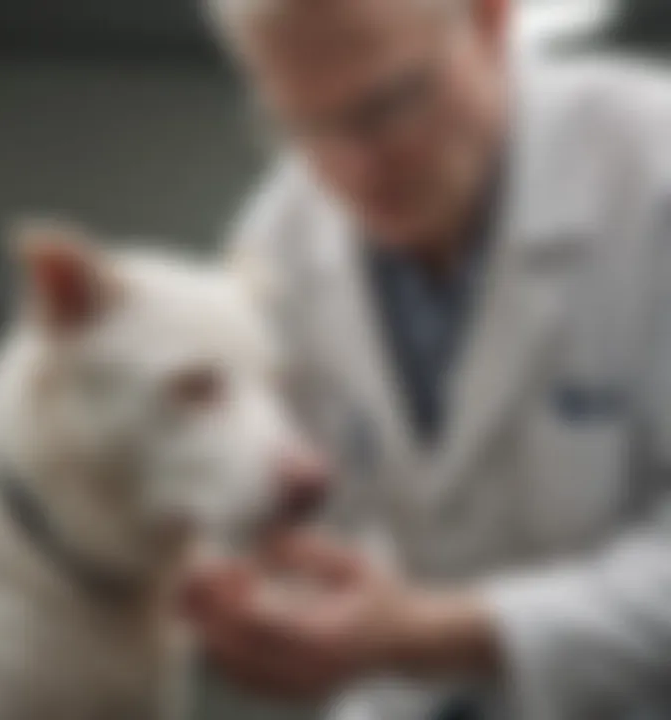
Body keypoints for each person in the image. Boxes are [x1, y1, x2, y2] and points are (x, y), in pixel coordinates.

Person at [186, 0, 671, 718]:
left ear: (490, 20)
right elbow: (277, 525)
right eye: (304, 125)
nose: (355, 166)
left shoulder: (649, 170)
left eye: (391, 104)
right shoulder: (276, 242)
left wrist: (435, 632)